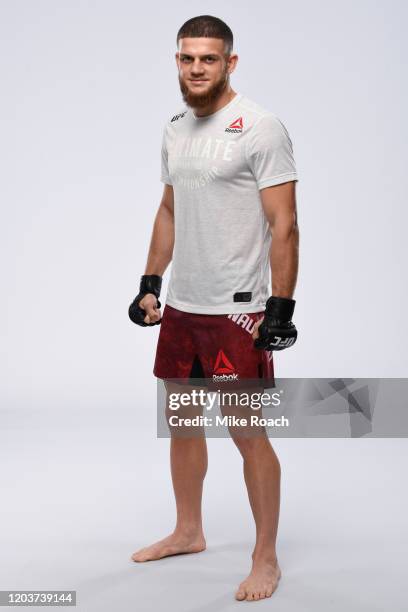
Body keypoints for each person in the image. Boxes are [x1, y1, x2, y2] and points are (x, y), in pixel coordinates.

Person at [128, 15, 299, 603]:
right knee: (181, 423)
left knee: (246, 432)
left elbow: (285, 223)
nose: (195, 68)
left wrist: (280, 306)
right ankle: (188, 530)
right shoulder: (175, 128)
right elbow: (169, 210)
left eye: (207, 58)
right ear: (177, 61)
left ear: (230, 62)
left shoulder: (261, 127)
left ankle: (266, 557)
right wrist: (151, 280)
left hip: (238, 309)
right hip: (182, 305)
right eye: (186, 58)